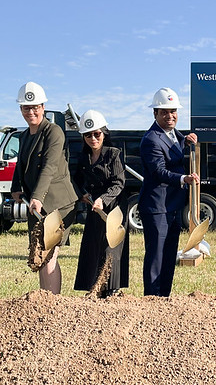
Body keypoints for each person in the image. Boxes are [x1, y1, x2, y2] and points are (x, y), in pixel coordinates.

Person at [11, 81, 78, 294]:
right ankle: (44, 301)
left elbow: (49, 166)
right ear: (21, 109)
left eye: (35, 107)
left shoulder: (54, 132)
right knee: (39, 255)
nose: (31, 112)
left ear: (43, 107)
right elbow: (20, 164)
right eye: (26, 108)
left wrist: (38, 196)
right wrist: (16, 187)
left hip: (57, 203)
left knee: (48, 254)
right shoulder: (24, 135)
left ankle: (52, 305)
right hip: (36, 205)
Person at [139, 87, 199, 296]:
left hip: (172, 206)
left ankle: (164, 299)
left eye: (173, 111)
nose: (170, 115)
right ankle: (152, 300)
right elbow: (159, 171)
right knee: (156, 257)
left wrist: (187, 140)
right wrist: (184, 179)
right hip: (157, 208)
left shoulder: (174, 134)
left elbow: (176, 146)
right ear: (155, 113)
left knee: (169, 255)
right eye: (164, 111)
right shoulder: (151, 139)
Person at [72, 109, 129, 297]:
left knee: (110, 247)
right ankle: (93, 287)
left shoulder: (114, 154)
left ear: (104, 133)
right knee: (93, 246)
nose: (93, 138)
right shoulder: (83, 157)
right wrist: (83, 194)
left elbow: (119, 182)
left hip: (113, 207)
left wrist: (103, 200)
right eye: (88, 135)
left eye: (97, 134)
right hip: (94, 208)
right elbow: (76, 180)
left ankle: (111, 289)